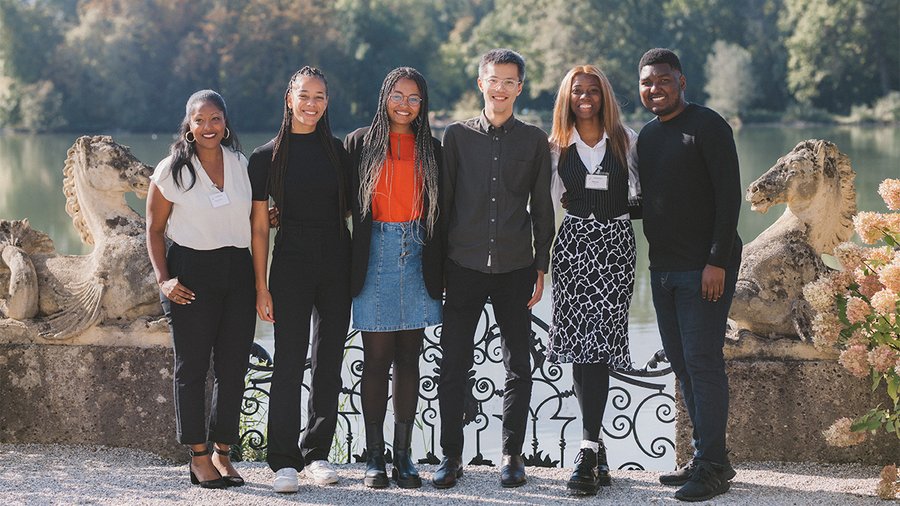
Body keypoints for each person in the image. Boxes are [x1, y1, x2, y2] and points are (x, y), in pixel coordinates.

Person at [434, 48, 554, 489]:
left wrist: (541, 266)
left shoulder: (534, 141)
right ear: (480, 83)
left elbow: (543, 208)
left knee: (518, 366)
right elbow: (444, 205)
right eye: (493, 79)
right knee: (452, 363)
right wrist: (439, 266)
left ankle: (511, 454)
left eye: (509, 81)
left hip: (515, 266)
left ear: (519, 88)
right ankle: (450, 456)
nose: (500, 88)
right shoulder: (457, 137)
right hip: (461, 265)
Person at [636, 48, 742, 502]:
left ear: (681, 81)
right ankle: (706, 456)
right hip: (663, 271)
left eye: (662, 80)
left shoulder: (709, 126)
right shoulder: (646, 137)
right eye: (646, 83)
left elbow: (728, 198)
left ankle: (714, 466)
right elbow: (652, 202)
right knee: (683, 366)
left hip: (705, 270)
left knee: (703, 364)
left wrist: (716, 260)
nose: (654, 88)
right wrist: (593, 208)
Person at [248, 66, 352, 494]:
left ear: (328, 101)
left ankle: (317, 454)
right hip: (289, 263)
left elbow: (349, 210)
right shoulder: (264, 157)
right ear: (289, 97)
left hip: (336, 262)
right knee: (289, 362)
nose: (312, 104)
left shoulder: (341, 153)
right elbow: (257, 228)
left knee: (328, 360)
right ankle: (283, 461)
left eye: (320, 97)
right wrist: (260, 285)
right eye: (304, 96)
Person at [146, 89, 256, 489]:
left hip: (238, 272)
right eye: (200, 120)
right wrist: (164, 279)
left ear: (225, 123)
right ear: (188, 126)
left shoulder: (241, 163)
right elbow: (154, 230)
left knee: (233, 368)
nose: (208, 127)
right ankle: (197, 456)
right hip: (190, 273)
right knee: (192, 369)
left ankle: (223, 452)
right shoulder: (172, 169)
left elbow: (245, 217)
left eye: (215, 119)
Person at [344, 67, 443, 489]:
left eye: (414, 98)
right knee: (377, 360)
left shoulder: (432, 149)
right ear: (385, 96)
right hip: (375, 254)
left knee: (409, 358)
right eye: (398, 95)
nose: (405, 104)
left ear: (423, 105)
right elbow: (336, 201)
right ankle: (374, 458)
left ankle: (403, 456)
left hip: (418, 251)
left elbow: (447, 209)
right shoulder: (360, 143)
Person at [546, 65, 640, 496]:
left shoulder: (627, 142)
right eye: (577, 91)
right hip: (573, 248)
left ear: (604, 96)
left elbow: (645, 198)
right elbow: (543, 208)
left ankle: (587, 449)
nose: (585, 97)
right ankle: (592, 448)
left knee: (599, 346)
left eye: (593, 90)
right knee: (583, 348)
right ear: (567, 98)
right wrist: (537, 263)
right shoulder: (555, 147)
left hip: (616, 247)